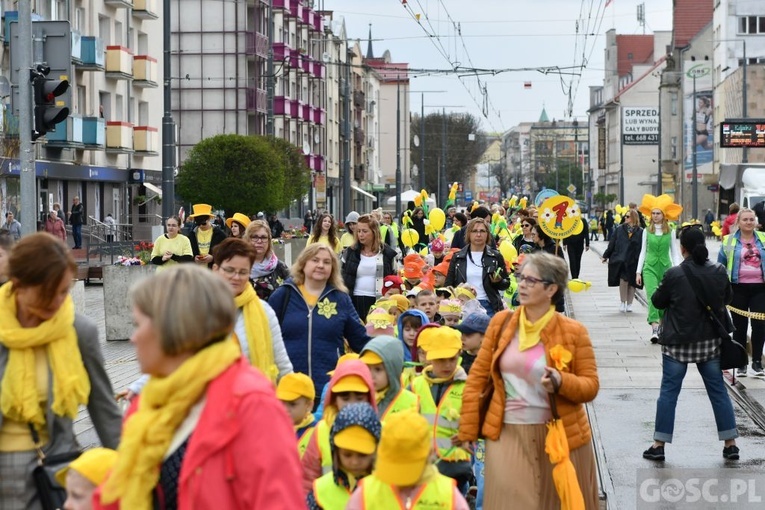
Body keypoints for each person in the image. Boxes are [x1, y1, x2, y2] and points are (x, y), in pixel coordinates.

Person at [95, 264, 303, 509]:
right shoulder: (150, 398)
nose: (134, 338)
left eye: (139, 325)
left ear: (174, 329)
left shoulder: (252, 404)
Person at [458, 252, 600, 508]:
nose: (522, 284)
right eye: (521, 278)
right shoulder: (501, 323)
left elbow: (590, 386)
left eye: (530, 280)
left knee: (553, 502)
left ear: (551, 289)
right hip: (506, 432)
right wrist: (468, 429)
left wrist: (561, 381)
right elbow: (477, 379)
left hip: (559, 436)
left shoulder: (574, 331)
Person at [0, 233, 121, 508]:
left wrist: (131, 477)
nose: (57, 301)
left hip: (54, 470)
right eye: (48, 292)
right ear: (18, 284)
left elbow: (105, 410)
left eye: (64, 291)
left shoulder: (79, 331)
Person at [644, 227, 739, 461]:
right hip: (710, 344)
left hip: (677, 344)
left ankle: (659, 445)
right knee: (718, 392)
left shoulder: (674, 274)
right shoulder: (717, 270)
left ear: (683, 248)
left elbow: (658, 301)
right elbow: (727, 298)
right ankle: (730, 444)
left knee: (668, 393)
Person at [268, 243, 370, 397]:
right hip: (289, 389)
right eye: (315, 260)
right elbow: (265, 338)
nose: (320, 265)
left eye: (327, 262)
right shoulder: (283, 295)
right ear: (303, 263)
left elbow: (359, 339)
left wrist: (386, 352)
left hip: (328, 389)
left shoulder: (341, 299)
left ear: (333, 268)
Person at [346, 410, 470, 510]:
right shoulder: (366, 493)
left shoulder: (447, 495)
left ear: (430, 453)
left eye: (408, 469)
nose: (402, 480)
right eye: (394, 468)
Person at [212, 238, 293, 380]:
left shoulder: (264, 312)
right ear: (215, 269)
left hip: (253, 397)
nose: (236, 277)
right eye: (230, 270)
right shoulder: (197, 310)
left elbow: (283, 367)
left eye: (243, 272)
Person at [410, 326, 472, 492]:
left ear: (459, 355)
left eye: (452, 359)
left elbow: (478, 420)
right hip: (422, 465)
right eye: (441, 359)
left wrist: (469, 432)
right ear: (429, 357)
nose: (447, 365)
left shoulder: (468, 387)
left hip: (455, 468)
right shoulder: (415, 386)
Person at [301, 360, 377, 493]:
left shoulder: (381, 431)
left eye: (359, 398)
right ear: (334, 398)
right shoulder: (321, 431)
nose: (351, 404)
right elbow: (307, 481)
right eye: (345, 398)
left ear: (369, 397)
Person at [307, 402, 381, 510]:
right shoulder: (320, 491)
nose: (354, 462)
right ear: (335, 451)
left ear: (376, 450)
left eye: (362, 455)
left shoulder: (387, 489)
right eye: (347, 455)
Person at [718, 208, 765, 377]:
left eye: (751, 219)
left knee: (759, 325)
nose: (748, 222)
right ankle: (741, 363)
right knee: (739, 326)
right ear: (738, 221)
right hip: (737, 288)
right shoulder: (728, 240)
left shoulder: (763, 238)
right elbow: (720, 265)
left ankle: (757, 362)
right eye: (745, 219)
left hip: (760, 288)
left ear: (756, 221)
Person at [636, 194, 682, 342]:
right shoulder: (646, 231)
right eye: (653, 213)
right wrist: (638, 271)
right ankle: (654, 328)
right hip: (649, 267)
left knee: (664, 298)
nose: (655, 216)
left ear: (663, 215)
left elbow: (674, 252)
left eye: (658, 213)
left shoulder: (671, 231)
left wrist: (676, 270)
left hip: (666, 268)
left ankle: (662, 327)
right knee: (651, 296)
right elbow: (643, 251)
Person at [445, 217, 510, 317]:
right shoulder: (458, 257)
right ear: (468, 234)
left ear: (487, 234)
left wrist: (499, 281)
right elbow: (448, 285)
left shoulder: (496, 256)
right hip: (463, 305)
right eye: (474, 231)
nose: (478, 234)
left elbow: (506, 283)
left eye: (482, 231)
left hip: (488, 305)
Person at [341, 214, 398, 321]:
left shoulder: (388, 253)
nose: (360, 235)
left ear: (374, 232)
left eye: (365, 231)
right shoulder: (349, 252)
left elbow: (395, 279)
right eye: (358, 231)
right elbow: (340, 277)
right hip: (353, 300)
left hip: (379, 300)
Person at [359, 335, 419, 422]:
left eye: (378, 369)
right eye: (367, 368)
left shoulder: (412, 402)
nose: (371, 375)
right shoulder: (359, 399)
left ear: (393, 369)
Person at [602, 209, 644, 314]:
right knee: (623, 281)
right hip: (621, 259)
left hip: (634, 260)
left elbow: (644, 247)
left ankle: (629, 304)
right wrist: (606, 255)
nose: (625, 218)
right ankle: (623, 302)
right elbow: (612, 243)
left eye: (628, 216)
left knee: (632, 283)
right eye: (625, 216)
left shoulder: (641, 231)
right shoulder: (619, 229)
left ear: (634, 218)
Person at [243, 220, 290, 300]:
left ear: (269, 241)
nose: (259, 241)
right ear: (247, 240)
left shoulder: (280, 267)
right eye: (254, 237)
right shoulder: (239, 266)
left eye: (264, 237)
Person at [277, 372, 317, 459]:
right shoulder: (273, 429)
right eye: (281, 403)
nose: (285, 409)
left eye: (292, 404)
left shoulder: (317, 432)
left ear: (309, 405)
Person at [187, 203, 227, 268]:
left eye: (203, 222)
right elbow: (186, 255)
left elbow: (226, 253)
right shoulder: (191, 235)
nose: (201, 225)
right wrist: (194, 259)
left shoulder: (220, 234)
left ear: (208, 219)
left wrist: (213, 258)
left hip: (214, 272)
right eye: (198, 222)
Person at [563, 214, 589, 279]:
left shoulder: (583, 220)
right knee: (572, 260)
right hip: (570, 243)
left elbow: (586, 232)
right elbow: (566, 231)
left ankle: (576, 275)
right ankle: (574, 276)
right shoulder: (569, 220)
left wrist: (587, 244)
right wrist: (564, 243)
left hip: (580, 243)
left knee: (578, 260)